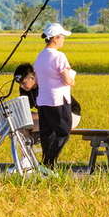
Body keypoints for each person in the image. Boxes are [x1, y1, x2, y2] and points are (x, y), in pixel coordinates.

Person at [33, 22, 78, 167]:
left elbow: (38, 81)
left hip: (43, 100)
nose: (63, 40)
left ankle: (47, 164)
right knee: (64, 130)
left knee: (47, 133)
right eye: (62, 37)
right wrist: (71, 79)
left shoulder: (39, 57)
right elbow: (66, 79)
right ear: (55, 38)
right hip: (58, 99)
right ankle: (49, 161)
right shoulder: (59, 56)